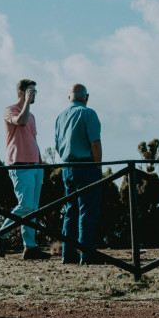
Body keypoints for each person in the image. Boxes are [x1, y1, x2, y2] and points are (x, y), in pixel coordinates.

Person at [0, 79, 50, 260]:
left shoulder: (33, 117)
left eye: (35, 91)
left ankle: (30, 247)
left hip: (35, 166)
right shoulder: (10, 110)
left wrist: (41, 163)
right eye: (30, 91)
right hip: (19, 164)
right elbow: (20, 122)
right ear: (21, 92)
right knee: (25, 205)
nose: (34, 94)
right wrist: (27, 102)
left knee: (33, 209)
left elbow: (33, 140)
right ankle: (0, 236)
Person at [54, 84, 103, 265]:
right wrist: (98, 166)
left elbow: (58, 147)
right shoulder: (89, 114)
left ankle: (68, 253)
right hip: (87, 166)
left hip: (67, 167)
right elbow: (95, 143)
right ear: (86, 97)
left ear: (70, 98)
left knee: (71, 210)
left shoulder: (60, 117)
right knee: (87, 211)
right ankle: (87, 254)